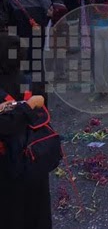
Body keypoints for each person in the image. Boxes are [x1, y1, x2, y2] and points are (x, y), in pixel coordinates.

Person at [0, 34, 52, 229]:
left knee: (11, 213)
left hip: (7, 165)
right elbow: (45, 116)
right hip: (35, 156)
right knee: (38, 212)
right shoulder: (32, 83)